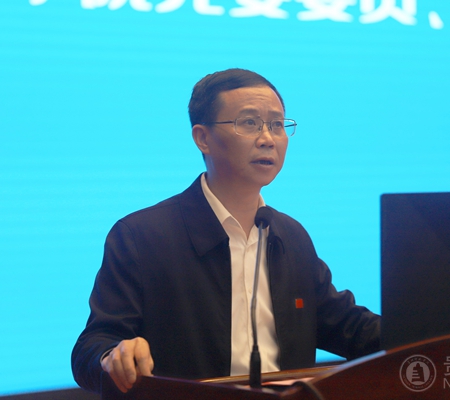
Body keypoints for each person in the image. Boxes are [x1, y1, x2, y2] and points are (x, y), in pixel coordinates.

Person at [71, 68, 380, 394]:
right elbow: (92, 346)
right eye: (249, 123)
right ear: (202, 138)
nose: (267, 138)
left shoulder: (291, 237)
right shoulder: (141, 237)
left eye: (277, 125)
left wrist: (414, 326)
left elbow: (347, 326)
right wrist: (113, 356)